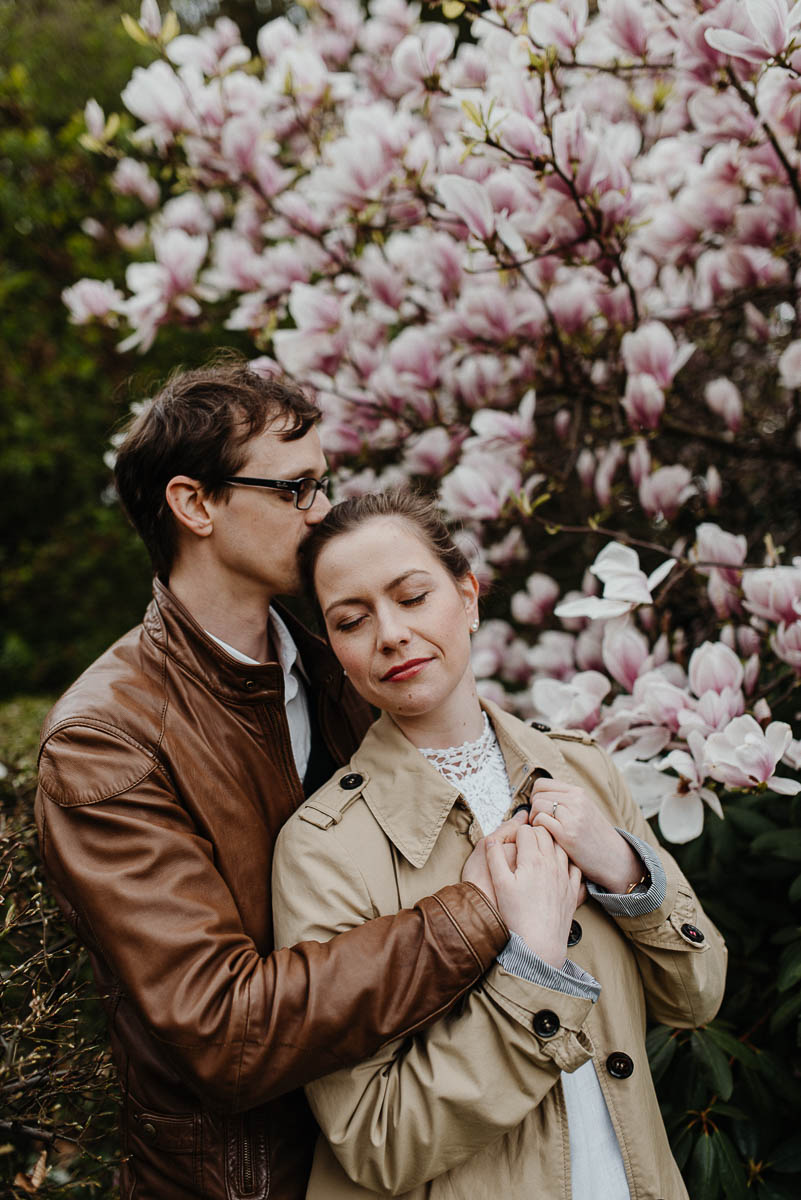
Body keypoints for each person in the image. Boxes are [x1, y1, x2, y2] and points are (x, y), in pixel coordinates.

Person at [33, 359, 518, 1200]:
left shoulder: (346, 668)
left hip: (414, 1148)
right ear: (196, 505)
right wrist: (473, 917)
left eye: (322, 484)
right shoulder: (105, 742)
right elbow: (222, 1028)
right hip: (253, 1182)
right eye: (294, 489)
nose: (322, 511)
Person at [272, 489, 728, 1200]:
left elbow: (696, 997)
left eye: (412, 596)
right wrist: (531, 970)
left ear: (467, 595)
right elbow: (374, 1141)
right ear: (335, 648)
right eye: (351, 620)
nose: (389, 633)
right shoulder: (321, 849)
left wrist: (620, 867)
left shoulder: (583, 770)